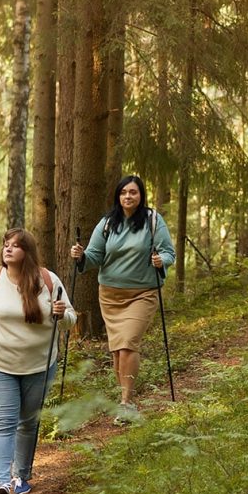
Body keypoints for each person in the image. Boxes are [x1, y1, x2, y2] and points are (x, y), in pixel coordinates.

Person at [0, 228, 76, 494]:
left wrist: (63, 314)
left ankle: (21, 476)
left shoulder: (48, 281)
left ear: (27, 252)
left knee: (27, 423)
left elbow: (72, 318)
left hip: (39, 365)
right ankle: (2, 484)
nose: (8, 249)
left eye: (15, 245)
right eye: (6, 244)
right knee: (3, 424)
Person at [70, 174, 175, 420]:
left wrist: (162, 261)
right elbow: (94, 256)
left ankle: (126, 403)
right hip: (110, 295)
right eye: (124, 192)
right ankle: (123, 399)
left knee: (128, 343)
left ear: (141, 195)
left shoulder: (152, 220)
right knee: (118, 351)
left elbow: (169, 252)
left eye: (133, 192)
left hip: (143, 293)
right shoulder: (108, 222)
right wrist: (81, 255)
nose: (128, 196)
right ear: (118, 196)